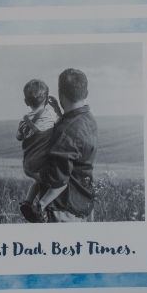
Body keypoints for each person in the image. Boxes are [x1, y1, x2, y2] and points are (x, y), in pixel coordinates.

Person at [36, 68, 97, 222]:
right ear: (86, 93)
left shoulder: (66, 131)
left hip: (64, 209)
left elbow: (60, 181)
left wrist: (41, 204)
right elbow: (73, 132)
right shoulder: (88, 119)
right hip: (84, 203)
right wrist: (59, 112)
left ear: (60, 94)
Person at [15, 79, 63, 222]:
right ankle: (41, 205)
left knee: (38, 182)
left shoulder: (24, 120)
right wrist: (57, 109)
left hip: (29, 165)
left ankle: (27, 202)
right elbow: (62, 124)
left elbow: (18, 137)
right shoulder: (50, 116)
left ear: (26, 102)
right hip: (43, 163)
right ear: (47, 100)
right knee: (61, 182)